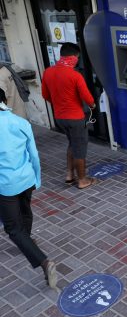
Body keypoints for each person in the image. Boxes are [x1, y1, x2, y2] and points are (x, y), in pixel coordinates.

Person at [0, 97, 57, 288]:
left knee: (13, 228)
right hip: (27, 178)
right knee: (25, 211)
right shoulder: (20, 122)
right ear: (5, 100)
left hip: (5, 185)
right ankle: (28, 240)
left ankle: (43, 261)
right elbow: (33, 154)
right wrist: (37, 179)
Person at [42, 43, 98, 189]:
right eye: (77, 58)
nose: (77, 60)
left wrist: (60, 104)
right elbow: (87, 97)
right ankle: (82, 180)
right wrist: (93, 106)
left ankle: (69, 175)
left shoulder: (48, 72)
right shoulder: (75, 75)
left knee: (72, 143)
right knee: (79, 147)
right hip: (75, 117)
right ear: (74, 56)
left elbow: (45, 95)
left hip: (60, 117)